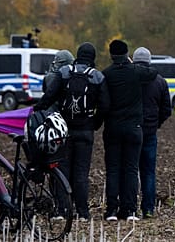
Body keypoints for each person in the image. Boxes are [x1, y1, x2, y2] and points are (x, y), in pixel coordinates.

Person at [36, 42, 109, 221]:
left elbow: (50, 96)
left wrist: (38, 109)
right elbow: (105, 106)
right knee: (81, 173)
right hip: (86, 130)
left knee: (63, 171)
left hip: (65, 130)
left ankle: (63, 211)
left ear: (77, 55)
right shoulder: (97, 77)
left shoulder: (65, 73)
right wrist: (94, 124)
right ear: (93, 57)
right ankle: (83, 213)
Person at [101, 39, 158, 221]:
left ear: (111, 55)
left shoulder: (106, 74)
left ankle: (111, 210)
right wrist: (132, 63)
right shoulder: (135, 72)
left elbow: (103, 102)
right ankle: (130, 209)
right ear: (127, 54)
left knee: (113, 169)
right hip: (134, 128)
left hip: (113, 128)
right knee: (131, 169)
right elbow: (153, 72)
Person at [134, 47, 171, 218]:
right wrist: (157, 124)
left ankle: (130, 207)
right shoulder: (160, 81)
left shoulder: (128, 80)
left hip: (132, 130)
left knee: (131, 170)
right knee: (148, 172)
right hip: (150, 132)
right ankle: (148, 208)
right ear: (149, 60)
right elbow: (166, 109)